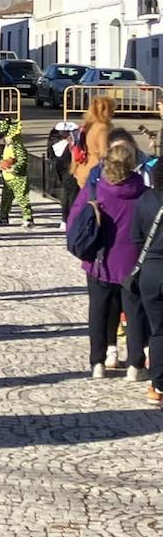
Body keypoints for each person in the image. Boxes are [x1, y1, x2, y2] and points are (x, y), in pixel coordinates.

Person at [69, 139, 147, 380]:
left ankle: (98, 362)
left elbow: (74, 221)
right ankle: (135, 365)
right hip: (133, 262)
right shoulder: (143, 194)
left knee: (99, 312)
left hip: (100, 260)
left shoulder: (95, 190)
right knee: (135, 314)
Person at [130, 170, 163, 406]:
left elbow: (136, 237)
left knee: (158, 331)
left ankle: (157, 385)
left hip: (151, 271)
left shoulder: (146, 199)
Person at [0, 120, 34, 227]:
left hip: (18, 178)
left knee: (22, 198)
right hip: (7, 177)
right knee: (6, 199)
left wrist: (14, 168)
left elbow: (22, 160)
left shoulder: (17, 146)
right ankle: (3, 217)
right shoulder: (8, 146)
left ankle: (28, 218)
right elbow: (4, 159)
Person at [72, 96, 116, 191]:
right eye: (112, 109)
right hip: (96, 172)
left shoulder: (88, 125)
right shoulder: (102, 128)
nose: (113, 113)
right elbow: (104, 153)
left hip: (83, 168)